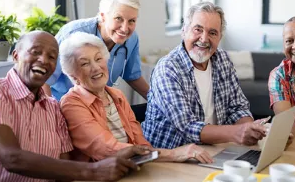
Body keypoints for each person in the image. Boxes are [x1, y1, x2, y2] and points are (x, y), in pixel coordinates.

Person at [0, 31, 152, 182]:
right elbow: (12, 158)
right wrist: (93, 171)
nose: (44, 60)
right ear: (15, 56)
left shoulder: (53, 108)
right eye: (35, 52)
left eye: (52, 57)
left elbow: (65, 164)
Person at [59, 32, 213, 164]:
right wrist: (173, 153)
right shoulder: (72, 103)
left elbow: (141, 144)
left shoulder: (116, 95)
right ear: (74, 76)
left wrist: (173, 154)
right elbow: (105, 149)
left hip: (131, 167)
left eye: (98, 59)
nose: (96, 67)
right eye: (85, 63)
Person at [142, 2, 268, 149]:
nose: (204, 38)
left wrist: (252, 130)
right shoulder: (168, 68)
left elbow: (238, 107)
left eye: (212, 33)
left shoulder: (222, 60)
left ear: (220, 37)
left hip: (212, 149)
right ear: (184, 31)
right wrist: (237, 132)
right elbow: (187, 127)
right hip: (172, 156)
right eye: (198, 30)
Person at [44, 0, 149, 101]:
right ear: (103, 16)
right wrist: (51, 114)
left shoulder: (131, 39)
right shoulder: (71, 33)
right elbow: (44, 80)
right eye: (118, 18)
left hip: (98, 106)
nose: (125, 28)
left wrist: (158, 100)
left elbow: (132, 76)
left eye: (131, 21)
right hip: (63, 105)